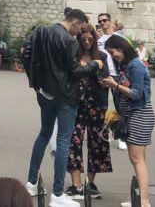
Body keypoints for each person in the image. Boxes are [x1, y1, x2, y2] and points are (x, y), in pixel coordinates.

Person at [25, 8, 103, 207]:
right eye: (80, 28)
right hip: (66, 96)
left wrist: (35, 84)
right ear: (75, 22)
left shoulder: (41, 31)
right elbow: (76, 71)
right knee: (63, 141)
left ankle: (31, 183)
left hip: (45, 92)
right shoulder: (68, 41)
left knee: (43, 135)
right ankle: (57, 193)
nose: (79, 33)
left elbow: (26, 54)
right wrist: (95, 64)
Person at [101, 34, 155, 207]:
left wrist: (115, 86)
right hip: (134, 115)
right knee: (138, 159)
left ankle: (143, 201)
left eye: (113, 52)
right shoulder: (127, 66)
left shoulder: (136, 66)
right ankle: (141, 198)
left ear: (121, 48)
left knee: (136, 159)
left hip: (139, 114)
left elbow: (137, 94)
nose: (112, 56)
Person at [66, 24, 111, 198]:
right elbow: (72, 75)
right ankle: (76, 185)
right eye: (83, 39)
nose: (86, 42)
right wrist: (92, 66)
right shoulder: (74, 56)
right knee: (73, 141)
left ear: (94, 39)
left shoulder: (102, 56)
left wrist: (92, 67)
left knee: (97, 143)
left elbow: (105, 79)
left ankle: (90, 183)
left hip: (97, 105)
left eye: (90, 39)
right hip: (76, 104)